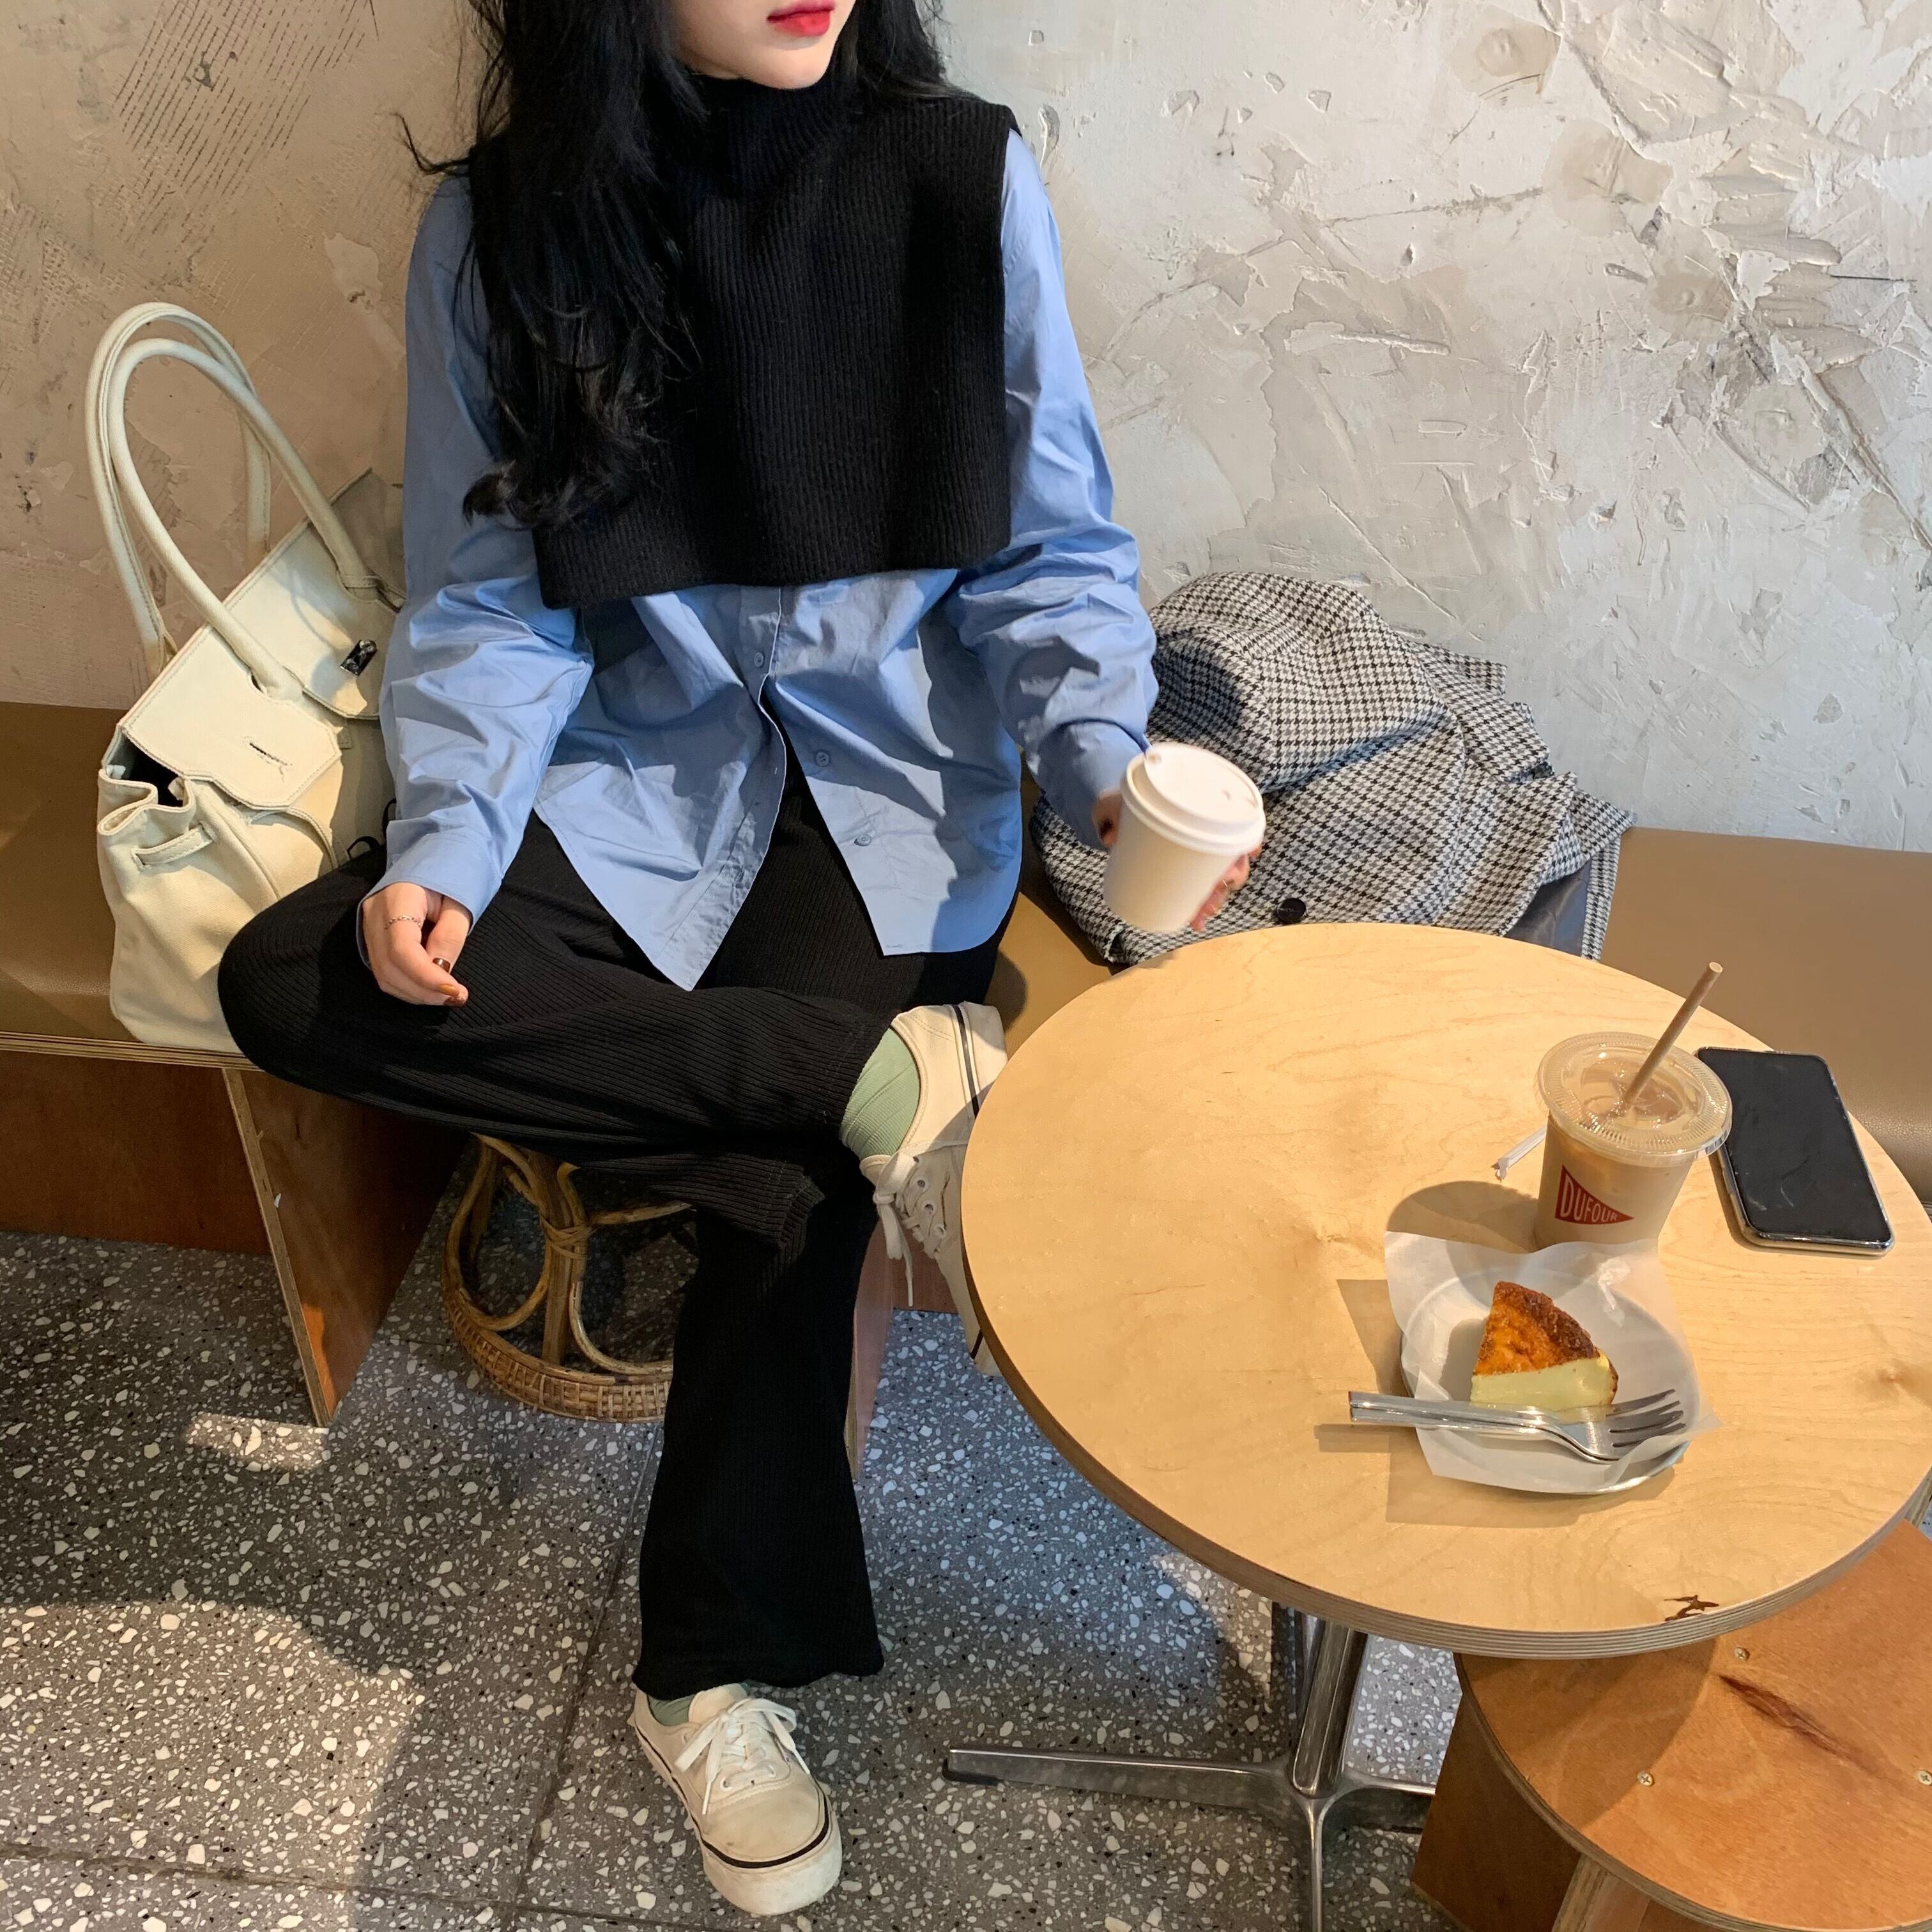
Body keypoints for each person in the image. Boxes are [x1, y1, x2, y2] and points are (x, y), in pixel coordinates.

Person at [218, 0, 1250, 1913]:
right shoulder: (504, 230)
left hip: (889, 798)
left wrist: (1106, 761)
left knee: (784, 1199)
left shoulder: (960, 178)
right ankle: (871, 1079)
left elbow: (1051, 546)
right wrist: (449, 839)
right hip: (633, 784)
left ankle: (706, 1674)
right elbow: (489, 600)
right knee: (289, 983)